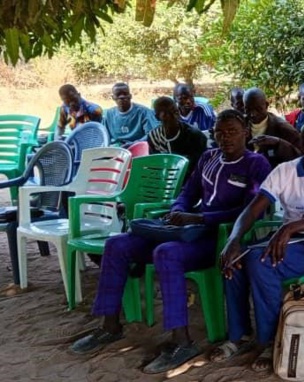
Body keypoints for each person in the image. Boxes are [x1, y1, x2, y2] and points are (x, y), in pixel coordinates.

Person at [69, 110, 272, 373]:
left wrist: (200, 219)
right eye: (219, 133)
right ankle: (109, 326)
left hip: (219, 239)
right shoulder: (209, 158)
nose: (225, 138)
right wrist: (178, 210)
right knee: (116, 245)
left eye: (232, 131)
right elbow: (187, 193)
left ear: (246, 131)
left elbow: (248, 212)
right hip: (185, 232)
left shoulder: (256, 164)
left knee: (166, 253)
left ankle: (182, 341)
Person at [210, 122, 304, 373]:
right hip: (288, 241)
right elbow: (254, 208)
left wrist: (290, 228)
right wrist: (233, 241)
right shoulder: (284, 171)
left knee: (260, 262)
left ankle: (269, 340)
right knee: (236, 259)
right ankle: (239, 335)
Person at [243, 87, 303, 168]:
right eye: (248, 110)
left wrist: (278, 143)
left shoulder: (284, 129)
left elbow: (300, 158)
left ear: (266, 105)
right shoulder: (240, 126)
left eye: (258, 109)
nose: (253, 114)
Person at [147, 96, 208, 174]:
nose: (173, 117)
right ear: (157, 117)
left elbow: (198, 167)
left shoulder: (194, 135)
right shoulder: (154, 137)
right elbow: (156, 165)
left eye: (175, 112)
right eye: (166, 114)